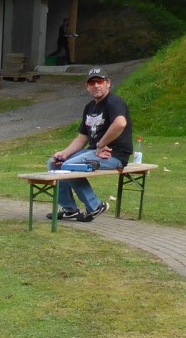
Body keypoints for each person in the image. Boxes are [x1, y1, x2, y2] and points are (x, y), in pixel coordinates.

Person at [45, 68, 132, 222]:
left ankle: (95, 206)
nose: (96, 85)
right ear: (87, 87)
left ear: (108, 83)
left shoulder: (114, 102)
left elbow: (120, 123)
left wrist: (101, 145)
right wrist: (64, 154)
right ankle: (70, 209)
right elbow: (82, 137)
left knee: (69, 166)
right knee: (55, 163)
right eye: (92, 83)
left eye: (100, 81)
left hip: (114, 156)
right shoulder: (89, 107)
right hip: (94, 153)